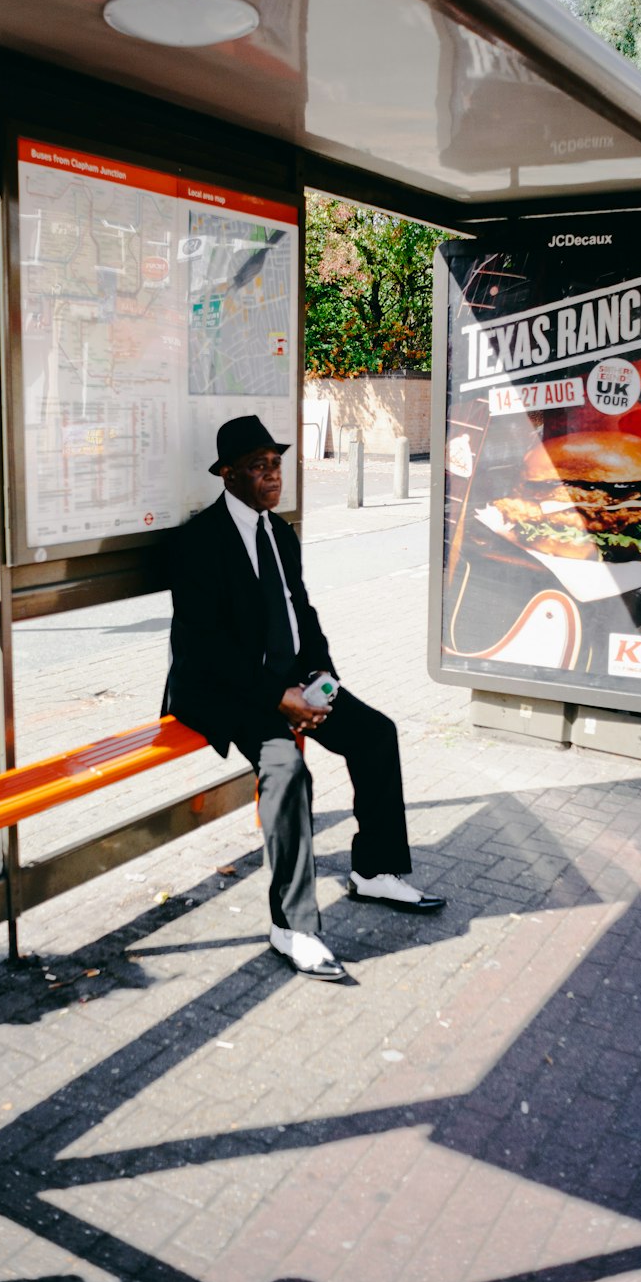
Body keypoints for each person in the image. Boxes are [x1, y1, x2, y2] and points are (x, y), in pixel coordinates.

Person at [163, 414, 445, 981]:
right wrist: (280, 697)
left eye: (276, 465)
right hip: (229, 692)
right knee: (288, 767)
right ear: (228, 475)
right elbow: (207, 648)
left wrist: (322, 679)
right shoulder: (198, 541)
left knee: (375, 734)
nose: (273, 476)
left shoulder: (280, 532)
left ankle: (375, 872)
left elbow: (302, 614)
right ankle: (292, 927)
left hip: (291, 680)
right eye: (259, 467)